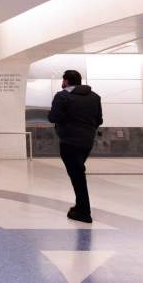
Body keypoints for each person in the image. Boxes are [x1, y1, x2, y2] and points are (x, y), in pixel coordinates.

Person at [48, 70, 103, 223]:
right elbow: (99, 120)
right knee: (78, 172)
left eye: (63, 80)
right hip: (87, 142)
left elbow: (53, 117)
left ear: (66, 81)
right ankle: (80, 207)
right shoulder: (95, 97)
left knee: (77, 175)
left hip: (69, 142)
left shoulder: (62, 96)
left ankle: (84, 211)